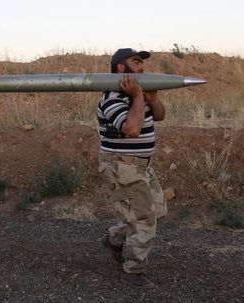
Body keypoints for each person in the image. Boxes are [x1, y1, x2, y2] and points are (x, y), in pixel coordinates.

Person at [97, 48, 167, 288]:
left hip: (142, 165)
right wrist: (138, 96)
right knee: (144, 220)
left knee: (155, 211)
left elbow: (159, 116)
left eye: (142, 62)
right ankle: (133, 271)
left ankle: (114, 239)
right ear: (120, 68)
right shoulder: (111, 97)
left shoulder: (139, 95)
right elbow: (132, 130)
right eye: (136, 62)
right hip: (122, 165)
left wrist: (152, 99)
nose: (142, 67)